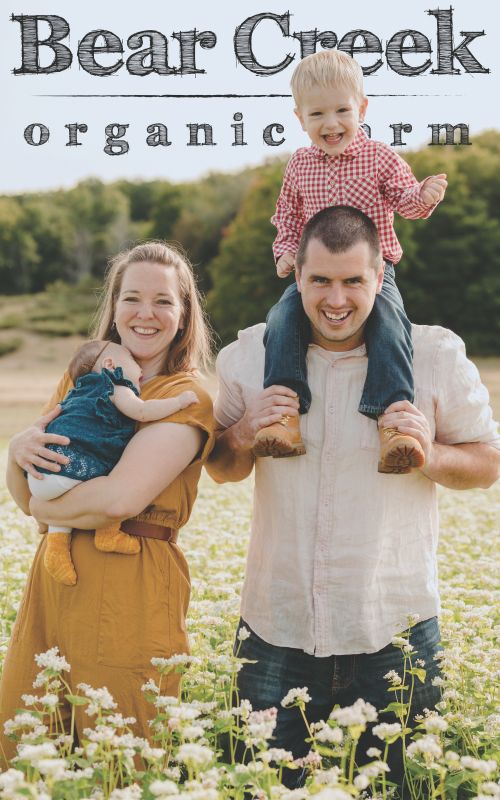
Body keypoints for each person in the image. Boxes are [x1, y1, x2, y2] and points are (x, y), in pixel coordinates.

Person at [207, 207, 500, 789]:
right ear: (297, 277)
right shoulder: (248, 357)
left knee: (402, 786)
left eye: (352, 281)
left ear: (379, 278)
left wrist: (431, 451)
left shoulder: (435, 355)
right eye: (320, 280)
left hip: (395, 626)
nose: (335, 299)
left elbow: (488, 464)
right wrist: (241, 435)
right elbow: (223, 469)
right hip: (275, 626)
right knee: (262, 786)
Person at [0, 241, 215, 766]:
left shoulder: (188, 395)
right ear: (114, 309)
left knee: (119, 759)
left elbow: (119, 498)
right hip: (53, 583)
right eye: (132, 298)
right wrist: (15, 451)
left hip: (131, 582)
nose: (146, 314)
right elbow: (28, 488)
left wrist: (44, 505)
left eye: (164, 301)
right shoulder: (84, 378)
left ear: (184, 316)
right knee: (25, 752)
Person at [254, 49, 448, 475]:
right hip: (315, 277)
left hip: (371, 278)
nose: (331, 123)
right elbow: (286, 214)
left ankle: (393, 419)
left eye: (342, 110)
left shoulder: (379, 157)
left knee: (390, 322)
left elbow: (405, 199)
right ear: (299, 117)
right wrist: (285, 249)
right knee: (281, 319)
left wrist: (424, 196)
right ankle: (285, 414)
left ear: (361, 108)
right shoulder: (299, 164)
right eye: (317, 113)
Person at [28, 338, 198, 586]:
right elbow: (141, 411)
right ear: (110, 364)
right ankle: (108, 533)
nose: (138, 369)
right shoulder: (115, 385)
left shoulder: (75, 393)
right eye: (131, 362)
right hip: (72, 467)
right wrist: (179, 402)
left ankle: (56, 549)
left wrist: (37, 506)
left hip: (42, 476)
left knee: (67, 496)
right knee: (109, 473)